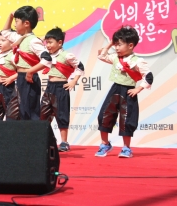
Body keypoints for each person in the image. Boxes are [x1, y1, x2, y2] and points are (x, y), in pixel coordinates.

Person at [96, 26, 153, 158]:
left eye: (119, 45)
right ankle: (105, 144)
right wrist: (110, 43)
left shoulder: (137, 61)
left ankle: (126, 148)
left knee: (127, 119)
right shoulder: (115, 57)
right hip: (115, 89)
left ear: (131, 45)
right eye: (115, 45)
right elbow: (101, 56)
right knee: (104, 115)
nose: (116, 48)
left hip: (128, 91)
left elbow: (148, 76)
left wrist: (138, 88)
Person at [0, 6, 52, 120]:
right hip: (21, 79)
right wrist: (10, 15)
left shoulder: (33, 40)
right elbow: (4, 32)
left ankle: (33, 137)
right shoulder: (20, 37)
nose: (14, 24)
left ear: (26, 23)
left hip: (29, 80)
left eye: (17, 21)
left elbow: (47, 59)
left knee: (29, 114)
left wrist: (30, 71)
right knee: (14, 114)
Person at [40, 27, 84, 152]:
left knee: (61, 115)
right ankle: (44, 140)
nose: (47, 45)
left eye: (50, 42)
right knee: (43, 115)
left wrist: (73, 81)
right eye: (46, 42)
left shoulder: (67, 55)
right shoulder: (47, 54)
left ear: (60, 43)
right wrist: (46, 37)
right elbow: (39, 44)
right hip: (49, 87)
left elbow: (80, 67)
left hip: (61, 87)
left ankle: (64, 142)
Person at [0, 31, 18, 120]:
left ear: (12, 42)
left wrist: (11, 79)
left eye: (3, 40)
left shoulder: (13, 55)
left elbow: (22, 71)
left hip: (8, 88)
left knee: (11, 115)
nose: (0, 43)